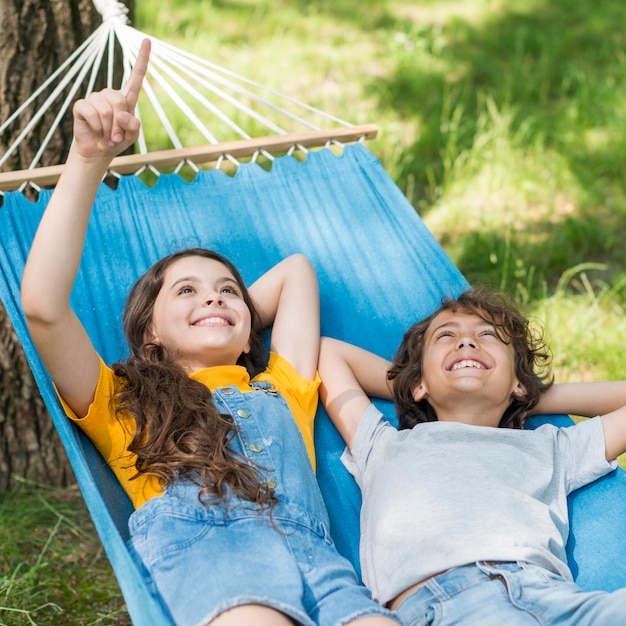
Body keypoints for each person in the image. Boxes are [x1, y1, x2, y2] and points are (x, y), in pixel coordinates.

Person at [20, 39, 399, 626]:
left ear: (252, 325)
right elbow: (43, 308)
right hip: (213, 556)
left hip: (319, 563)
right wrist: (89, 159)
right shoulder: (121, 403)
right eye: (186, 291)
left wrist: (231, 320)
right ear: (149, 334)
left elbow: (297, 271)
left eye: (228, 290)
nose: (215, 297)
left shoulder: (282, 388)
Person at [318, 287, 626, 626]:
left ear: (518, 384)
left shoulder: (552, 447)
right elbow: (328, 354)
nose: (466, 342)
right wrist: (414, 385)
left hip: (556, 598)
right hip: (449, 601)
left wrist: (527, 395)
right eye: (446, 335)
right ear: (419, 385)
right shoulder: (383, 444)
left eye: (487, 335)